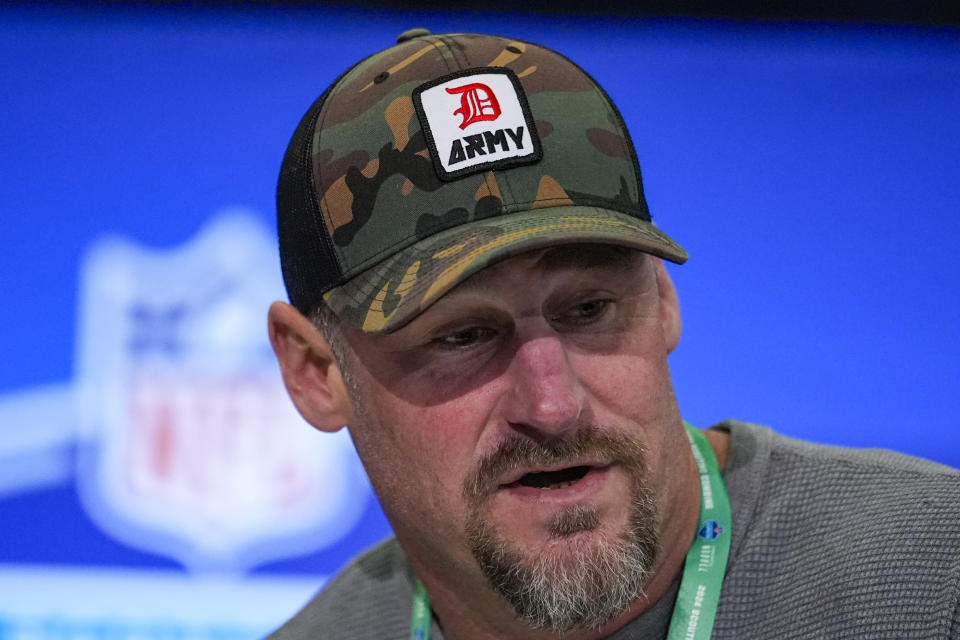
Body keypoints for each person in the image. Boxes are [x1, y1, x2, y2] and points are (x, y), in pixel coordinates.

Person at [266, 29, 960, 640]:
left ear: (662, 297)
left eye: (590, 308)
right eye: (465, 335)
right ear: (315, 370)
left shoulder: (934, 581)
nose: (552, 405)